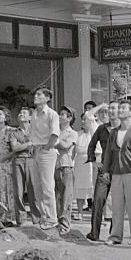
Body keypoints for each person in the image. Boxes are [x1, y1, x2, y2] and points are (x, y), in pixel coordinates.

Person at [103, 100, 131, 246]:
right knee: (116, 206)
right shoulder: (114, 132)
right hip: (116, 173)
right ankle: (115, 236)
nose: (120, 110)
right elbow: (108, 154)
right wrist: (105, 171)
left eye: (123, 108)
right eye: (119, 108)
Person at [86, 102, 119, 242]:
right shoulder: (101, 128)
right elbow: (91, 146)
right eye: (108, 109)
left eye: (113, 109)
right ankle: (94, 233)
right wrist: (94, 161)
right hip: (104, 170)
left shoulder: (125, 129)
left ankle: (114, 234)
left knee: (117, 204)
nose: (110, 111)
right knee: (98, 200)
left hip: (120, 171)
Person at [29, 87, 61, 230]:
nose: (35, 96)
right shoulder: (34, 114)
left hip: (46, 151)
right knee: (37, 186)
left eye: (39, 94)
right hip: (35, 150)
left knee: (47, 186)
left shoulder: (52, 114)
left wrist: (47, 147)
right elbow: (32, 133)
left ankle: (52, 218)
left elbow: (55, 134)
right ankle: (44, 216)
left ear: (47, 98)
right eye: (35, 94)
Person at [9, 107, 41, 225]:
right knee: (18, 191)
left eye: (24, 113)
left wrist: (23, 145)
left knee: (34, 190)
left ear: (30, 117)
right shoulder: (14, 132)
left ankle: (36, 218)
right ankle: (21, 220)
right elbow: (14, 148)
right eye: (20, 113)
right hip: (18, 161)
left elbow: (37, 147)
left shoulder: (35, 131)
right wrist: (28, 144)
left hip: (32, 161)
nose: (21, 114)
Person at [53, 106, 79, 236]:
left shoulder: (72, 133)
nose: (60, 116)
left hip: (66, 166)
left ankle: (65, 224)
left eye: (63, 114)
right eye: (60, 113)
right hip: (55, 166)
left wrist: (54, 141)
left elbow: (65, 146)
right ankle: (58, 222)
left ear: (69, 118)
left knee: (66, 198)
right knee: (56, 197)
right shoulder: (56, 131)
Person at [74, 110, 96, 218]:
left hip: (91, 164)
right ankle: (79, 212)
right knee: (79, 188)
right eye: (82, 120)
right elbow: (73, 151)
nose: (83, 122)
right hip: (79, 163)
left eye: (85, 120)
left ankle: (95, 213)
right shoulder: (77, 134)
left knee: (92, 187)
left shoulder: (94, 134)